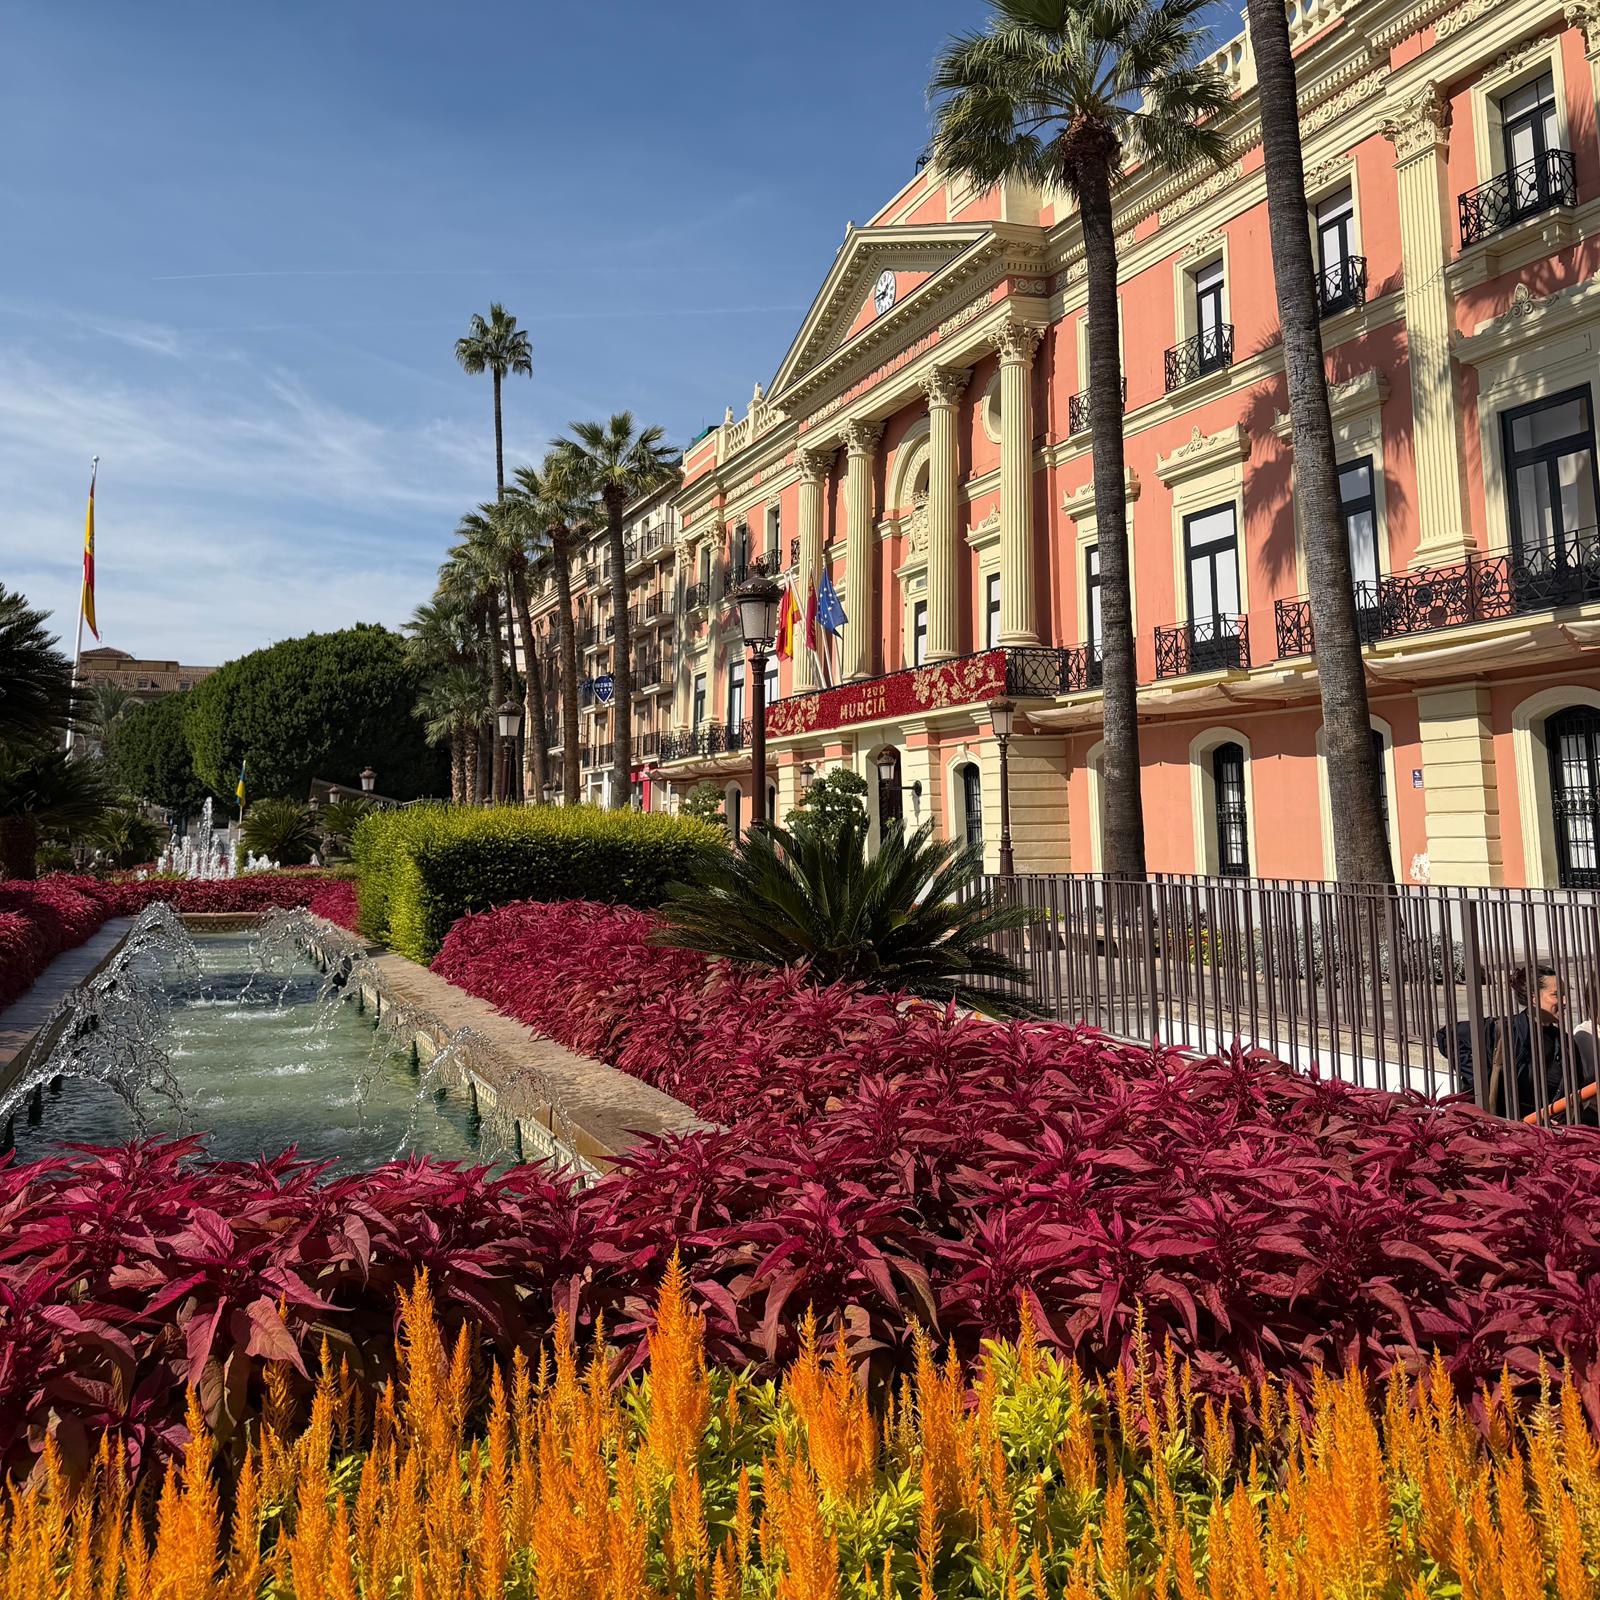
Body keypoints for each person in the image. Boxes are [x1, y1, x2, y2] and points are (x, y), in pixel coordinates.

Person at [1438, 963, 1581, 1121]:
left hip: (1546, 1130)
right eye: (1556, 995)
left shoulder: (1564, 1043)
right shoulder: (1503, 1031)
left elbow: (1572, 1092)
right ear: (1533, 998)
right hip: (1501, 1127)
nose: (1565, 1001)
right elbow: (1448, 1035)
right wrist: (1480, 1076)